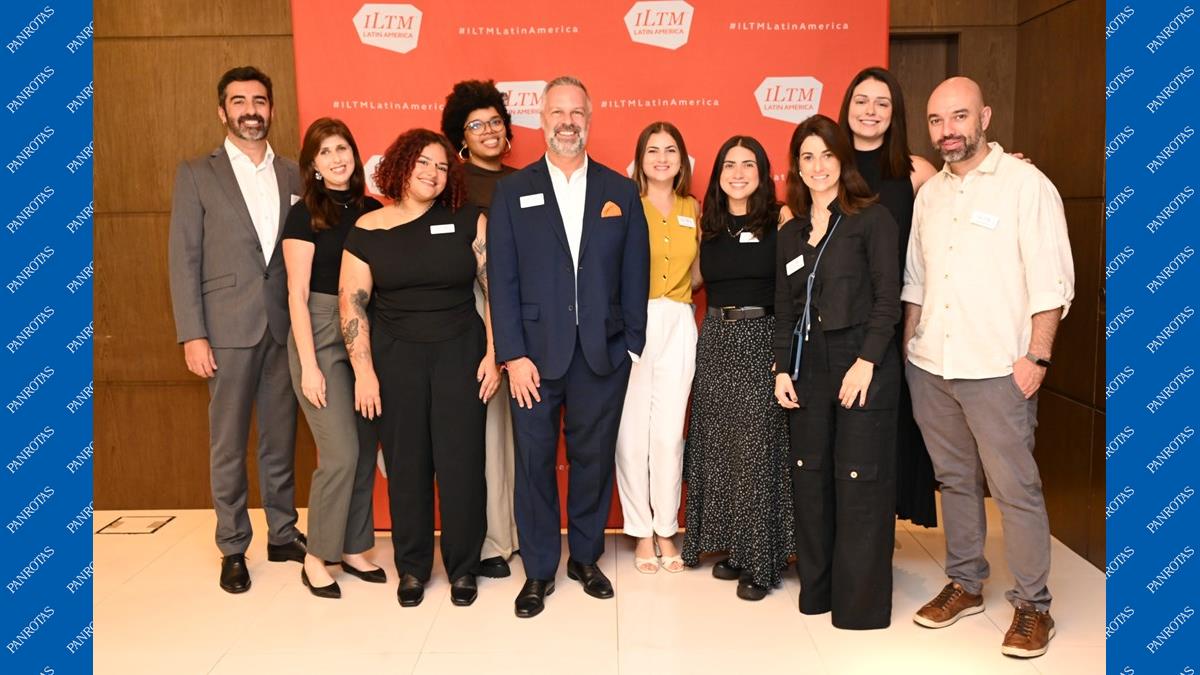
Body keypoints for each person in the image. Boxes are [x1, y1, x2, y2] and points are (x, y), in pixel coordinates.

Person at [904, 76, 1074, 658]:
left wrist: (1037, 358)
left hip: (1000, 368)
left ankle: (1033, 606)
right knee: (955, 481)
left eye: (959, 116)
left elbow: (1052, 282)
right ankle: (966, 583)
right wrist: (909, 351)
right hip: (932, 366)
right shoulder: (930, 195)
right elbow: (916, 282)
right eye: (936, 120)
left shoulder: (1027, 186)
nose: (947, 130)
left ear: (984, 118)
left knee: (1015, 489)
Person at [487, 76, 649, 618]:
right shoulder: (512, 192)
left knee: (592, 460)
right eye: (557, 112)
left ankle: (584, 558)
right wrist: (513, 355)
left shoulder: (619, 191)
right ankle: (538, 570)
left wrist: (631, 345)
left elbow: (635, 273)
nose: (567, 122)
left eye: (576, 112)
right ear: (541, 119)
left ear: (590, 117)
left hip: (602, 356)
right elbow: (502, 279)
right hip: (532, 358)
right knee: (534, 463)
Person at [339, 128, 499, 608]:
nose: (433, 173)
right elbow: (351, 305)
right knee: (406, 465)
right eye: (423, 162)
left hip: (461, 355)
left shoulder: (469, 220)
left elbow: (496, 291)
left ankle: (463, 567)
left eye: (443, 166)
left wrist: (494, 354)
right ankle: (412, 567)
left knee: (462, 465)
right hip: (395, 360)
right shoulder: (368, 228)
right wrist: (364, 373)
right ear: (401, 166)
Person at [168, 65, 306, 594]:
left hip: (282, 327)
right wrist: (192, 333)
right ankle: (232, 545)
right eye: (239, 101)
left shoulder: (293, 173)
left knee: (280, 439)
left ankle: (283, 533)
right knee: (227, 443)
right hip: (225, 329)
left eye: (259, 101)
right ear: (222, 111)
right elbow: (183, 259)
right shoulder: (196, 174)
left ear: (272, 109)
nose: (251, 110)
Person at [773, 114, 901, 629]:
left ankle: (859, 607)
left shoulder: (873, 220)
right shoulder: (791, 233)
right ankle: (818, 591)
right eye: (807, 157)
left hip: (861, 362)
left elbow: (888, 300)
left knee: (859, 480)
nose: (818, 166)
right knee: (811, 478)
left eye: (827, 155)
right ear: (797, 167)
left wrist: (866, 361)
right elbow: (784, 307)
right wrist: (782, 370)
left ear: (842, 160)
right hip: (807, 366)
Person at [681, 135, 794, 601]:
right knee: (724, 448)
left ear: (763, 173)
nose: (739, 173)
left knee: (758, 452)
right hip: (717, 341)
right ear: (719, 173)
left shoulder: (780, 218)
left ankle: (762, 560)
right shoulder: (708, 224)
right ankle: (737, 547)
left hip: (763, 339)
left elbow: (793, 287)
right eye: (730, 164)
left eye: (749, 164)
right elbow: (693, 279)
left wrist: (785, 350)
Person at [281, 118, 385, 598]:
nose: (336, 158)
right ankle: (316, 556)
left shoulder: (373, 210)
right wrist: (309, 365)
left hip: (366, 329)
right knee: (340, 453)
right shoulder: (303, 214)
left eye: (342, 148)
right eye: (325, 152)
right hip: (320, 332)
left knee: (364, 448)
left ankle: (354, 546)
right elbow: (296, 294)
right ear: (314, 165)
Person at [837, 66, 939, 528]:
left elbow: (963, 199)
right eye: (862, 101)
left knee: (887, 428)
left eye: (882, 103)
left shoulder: (917, 172)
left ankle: (876, 530)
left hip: (892, 319)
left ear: (895, 113)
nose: (870, 111)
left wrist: (1007, 172)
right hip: (835, 316)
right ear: (848, 106)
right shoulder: (829, 166)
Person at [440, 79, 520, 578]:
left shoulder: (526, 180)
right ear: (461, 137)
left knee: (516, 431)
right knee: (487, 428)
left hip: (527, 309)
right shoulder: (452, 184)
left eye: (495, 121)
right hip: (476, 307)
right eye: (476, 125)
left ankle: (513, 533)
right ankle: (491, 541)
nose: (489, 131)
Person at [615, 122, 700, 574]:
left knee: (669, 434)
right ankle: (640, 530)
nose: (662, 158)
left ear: (681, 159)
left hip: (679, 321)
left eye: (671, 150)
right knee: (632, 434)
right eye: (653, 150)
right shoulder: (625, 203)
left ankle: (666, 527)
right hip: (634, 320)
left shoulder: (693, 207)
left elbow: (699, 271)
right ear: (640, 158)